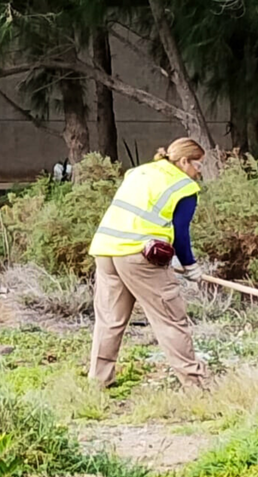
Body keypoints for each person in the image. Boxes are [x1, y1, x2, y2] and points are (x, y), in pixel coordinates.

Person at [87, 137, 208, 389]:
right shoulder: (183, 187)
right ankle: (196, 385)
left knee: (110, 319)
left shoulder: (139, 172)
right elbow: (181, 232)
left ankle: (98, 381)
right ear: (183, 161)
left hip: (106, 249)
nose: (199, 172)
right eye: (198, 165)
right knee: (171, 319)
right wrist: (190, 265)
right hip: (140, 256)